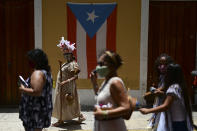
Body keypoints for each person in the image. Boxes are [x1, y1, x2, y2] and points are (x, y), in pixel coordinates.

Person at [139, 64, 193, 131]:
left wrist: (148, 110)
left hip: (177, 123)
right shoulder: (180, 86)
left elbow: (166, 106)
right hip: (182, 121)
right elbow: (172, 99)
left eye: (166, 73)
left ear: (170, 75)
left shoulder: (173, 88)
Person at [90, 50, 130, 131]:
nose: (98, 67)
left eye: (102, 64)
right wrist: (94, 83)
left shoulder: (115, 82)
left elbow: (126, 107)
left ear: (113, 66)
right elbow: (100, 97)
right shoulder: (106, 81)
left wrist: (104, 113)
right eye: (98, 64)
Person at [52, 37, 85, 126]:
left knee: (67, 102)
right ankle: (79, 116)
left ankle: (61, 120)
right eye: (64, 55)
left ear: (71, 55)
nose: (66, 56)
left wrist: (65, 82)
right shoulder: (65, 64)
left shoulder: (73, 64)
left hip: (67, 86)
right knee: (64, 102)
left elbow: (76, 76)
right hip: (61, 86)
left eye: (67, 55)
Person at [19, 49, 53, 131]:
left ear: (36, 60)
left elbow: (37, 91)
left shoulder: (38, 73)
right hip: (40, 110)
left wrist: (23, 89)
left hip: (35, 111)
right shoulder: (46, 72)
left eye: (30, 59)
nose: (29, 62)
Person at [144, 53, 174, 130]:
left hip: (167, 107)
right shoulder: (161, 76)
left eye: (165, 64)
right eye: (160, 64)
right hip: (160, 104)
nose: (162, 66)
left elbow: (169, 93)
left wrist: (156, 92)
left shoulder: (171, 77)